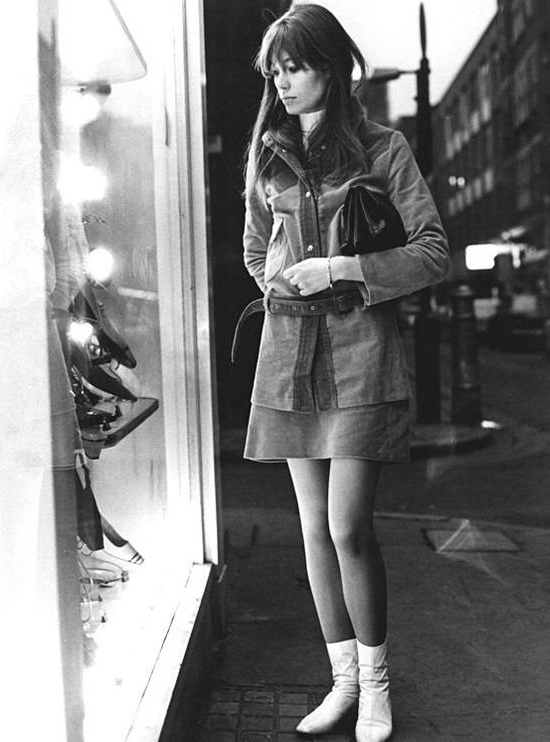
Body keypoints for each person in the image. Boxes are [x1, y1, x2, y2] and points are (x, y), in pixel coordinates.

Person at [241, 4, 449, 741]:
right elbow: (254, 249)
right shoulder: (268, 154)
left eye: (295, 66)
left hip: (362, 353)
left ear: (331, 67)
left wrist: (339, 268)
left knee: (347, 527)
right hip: (289, 356)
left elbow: (431, 250)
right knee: (312, 531)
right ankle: (344, 684)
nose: (282, 82)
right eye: (275, 70)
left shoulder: (381, 147)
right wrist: (279, 279)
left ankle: (378, 688)